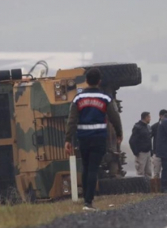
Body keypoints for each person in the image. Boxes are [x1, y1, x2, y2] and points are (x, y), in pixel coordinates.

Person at [64, 68, 123, 211]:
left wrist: (68, 139)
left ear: (86, 81)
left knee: (85, 167)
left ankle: (86, 198)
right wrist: (119, 133)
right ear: (99, 81)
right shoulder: (105, 98)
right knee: (93, 169)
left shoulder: (78, 99)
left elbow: (72, 120)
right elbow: (114, 117)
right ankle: (88, 202)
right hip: (98, 138)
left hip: (83, 138)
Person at [129, 111, 153, 178]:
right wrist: (136, 152)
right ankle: (140, 188)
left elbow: (149, 139)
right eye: (149, 117)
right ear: (145, 117)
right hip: (141, 153)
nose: (150, 119)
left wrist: (151, 150)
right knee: (140, 172)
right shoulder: (137, 127)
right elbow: (132, 140)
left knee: (148, 172)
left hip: (148, 152)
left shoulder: (148, 127)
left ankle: (148, 187)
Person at [151, 109, 167, 180]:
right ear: (160, 116)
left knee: (166, 172)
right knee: (156, 173)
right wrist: (151, 150)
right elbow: (149, 137)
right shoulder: (154, 127)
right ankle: (156, 188)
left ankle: (166, 187)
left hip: (166, 152)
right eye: (165, 116)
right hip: (156, 152)